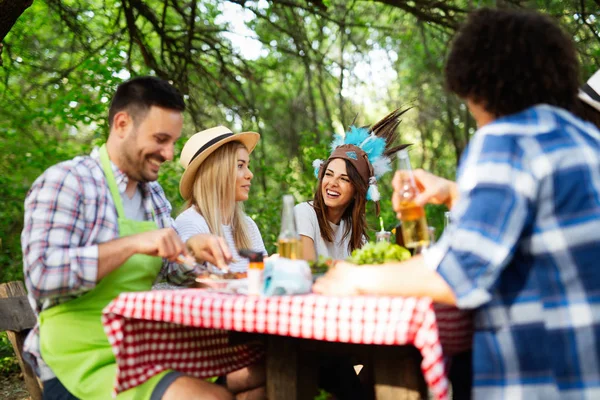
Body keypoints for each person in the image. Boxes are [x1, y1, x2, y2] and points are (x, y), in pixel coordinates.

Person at [314, 8, 600, 400]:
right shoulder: (584, 140)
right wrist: (452, 191)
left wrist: (356, 278)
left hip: (533, 379)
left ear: (481, 85)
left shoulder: (506, 138)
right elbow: (546, 214)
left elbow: (458, 273)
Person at [21, 76, 264, 400]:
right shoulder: (68, 181)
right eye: (161, 139)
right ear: (122, 123)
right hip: (78, 357)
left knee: (266, 374)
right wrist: (133, 243)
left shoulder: (154, 196)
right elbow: (42, 276)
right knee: (214, 398)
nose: (168, 153)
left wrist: (191, 250)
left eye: (173, 141)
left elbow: (170, 274)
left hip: (142, 347)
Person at [295, 109, 410, 262]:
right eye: (328, 174)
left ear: (357, 190)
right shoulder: (304, 213)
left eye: (344, 179)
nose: (332, 183)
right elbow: (307, 268)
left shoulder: (356, 236)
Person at [175, 126, 267, 272]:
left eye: (247, 166)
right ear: (215, 173)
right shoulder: (190, 223)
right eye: (240, 165)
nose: (250, 174)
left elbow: (264, 276)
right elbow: (190, 282)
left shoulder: (248, 225)